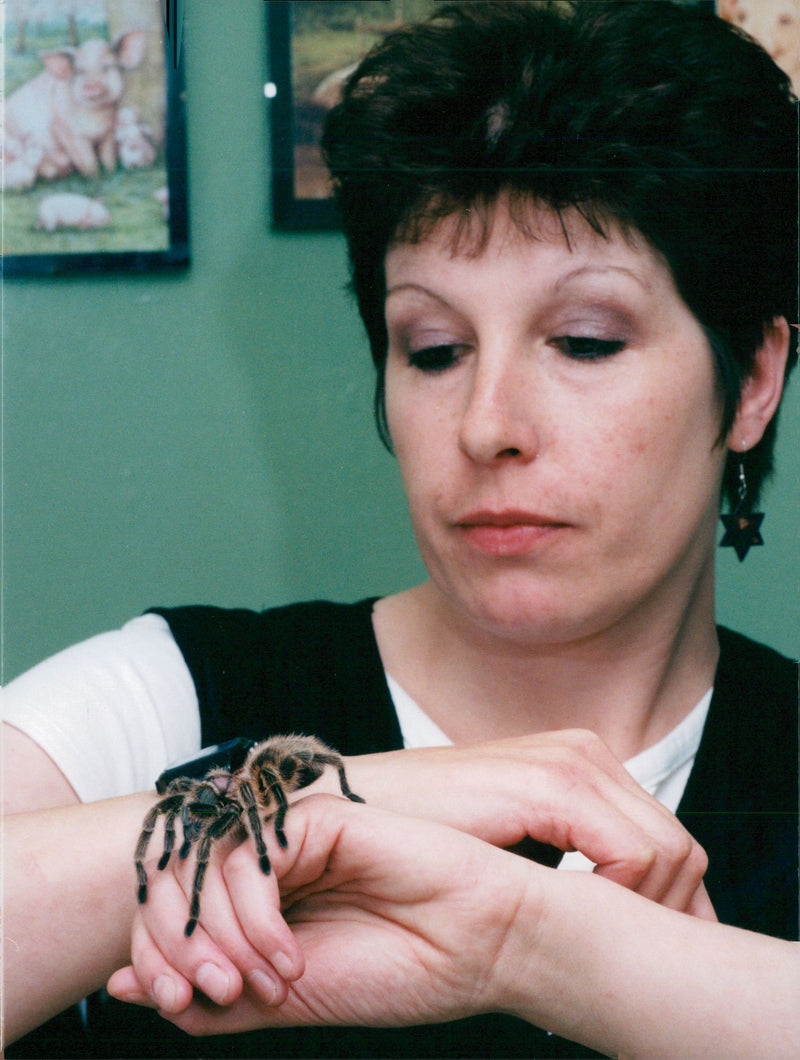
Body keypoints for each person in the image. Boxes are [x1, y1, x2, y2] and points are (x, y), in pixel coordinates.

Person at [3, 2, 797, 1057]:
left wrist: (542, 945)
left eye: (583, 338)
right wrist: (320, 804)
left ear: (748, 381)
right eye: (431, 349)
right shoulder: (165, 701)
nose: (486, 426)